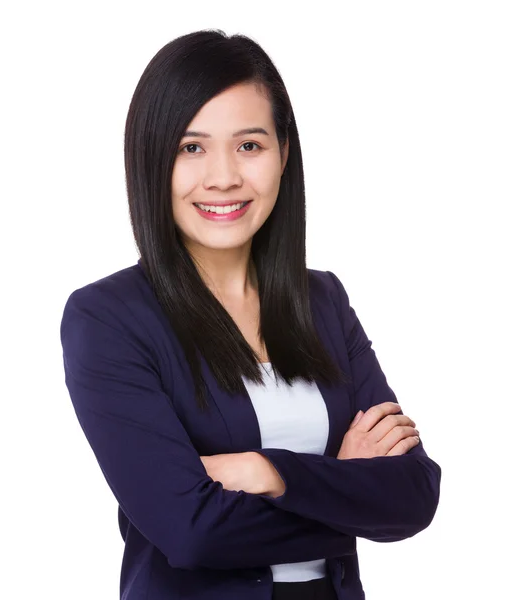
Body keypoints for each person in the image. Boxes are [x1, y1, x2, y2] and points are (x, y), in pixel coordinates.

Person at [60, 29, 441, 600]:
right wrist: (347, 490)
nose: (223, 177)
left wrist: (268, 472)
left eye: (249, 145)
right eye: (191, 147)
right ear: (150, 160)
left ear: (283, 155)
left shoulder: (324, 301)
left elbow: (413, 494)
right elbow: (191, 534)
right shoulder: (108, 319)